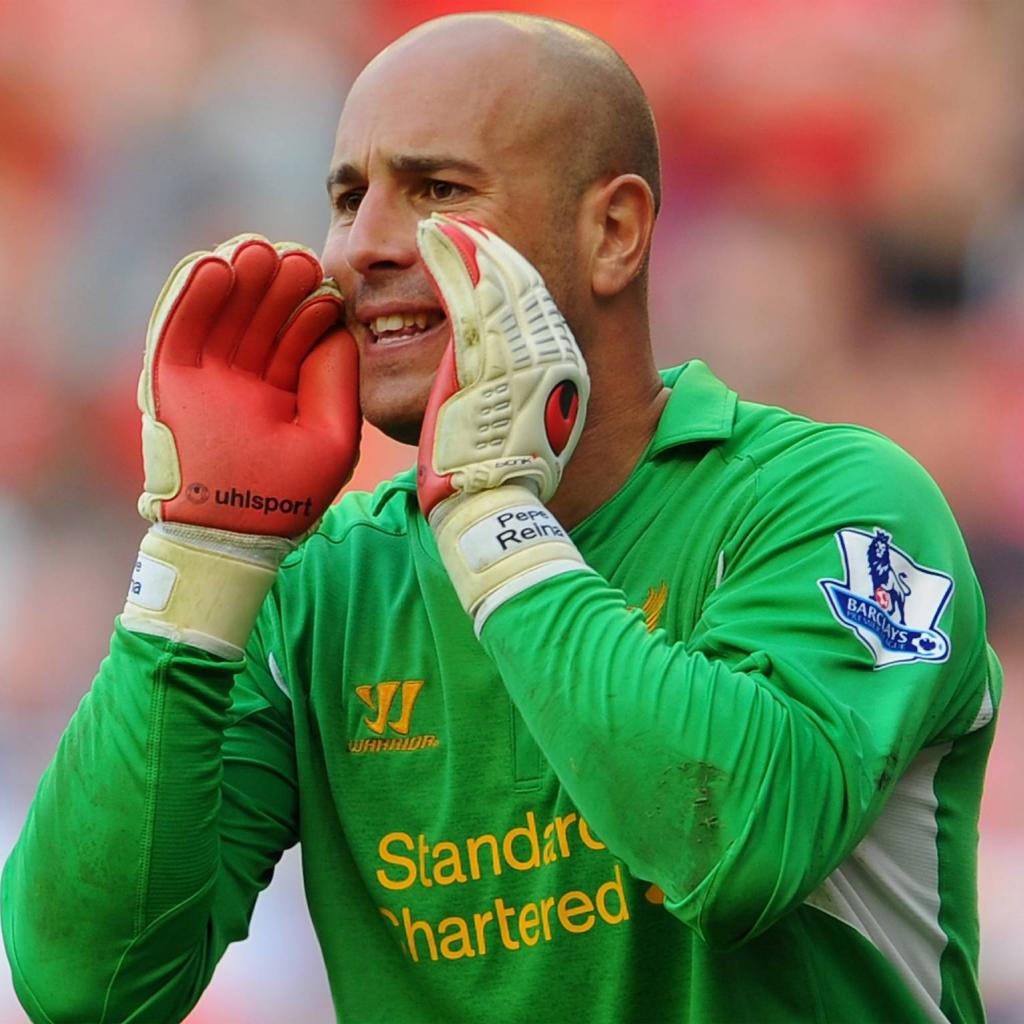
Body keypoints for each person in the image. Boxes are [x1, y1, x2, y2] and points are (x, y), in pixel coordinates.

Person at [1, 12, 1000, 1024]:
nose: (363, 246)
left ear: (613, 232)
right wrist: (198, 560)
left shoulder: (837, 506)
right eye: (347, 198)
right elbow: (89, 986)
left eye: (438, 190)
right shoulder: (330, 582)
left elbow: (733, 846)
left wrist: (489, 517)